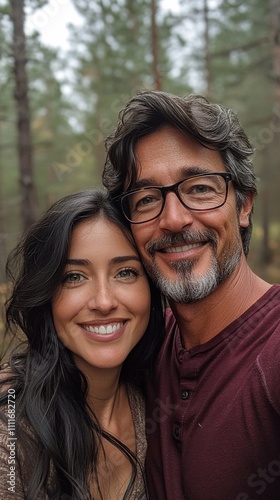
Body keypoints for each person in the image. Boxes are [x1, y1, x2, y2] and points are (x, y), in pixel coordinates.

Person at [102, 90, 280, 500]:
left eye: (199, 188)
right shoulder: (139, 343)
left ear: (244, 205)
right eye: (147, 199)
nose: (174, 219)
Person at [0, 188, 164, 500]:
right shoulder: (9, 425)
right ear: (46, 294)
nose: (103, 301)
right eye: (74, 277)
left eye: (126, 272)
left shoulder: (160, 396)